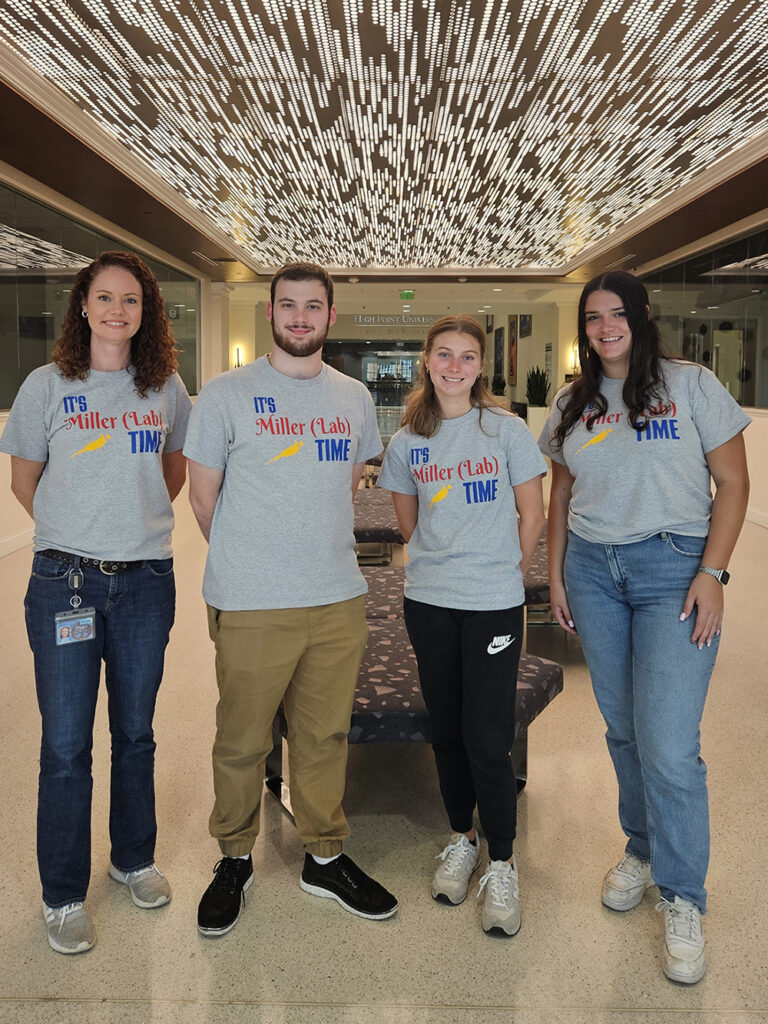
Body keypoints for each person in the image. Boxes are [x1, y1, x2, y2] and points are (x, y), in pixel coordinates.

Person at [539, 271, 750, 984]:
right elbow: (561, 493)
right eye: (593, 317)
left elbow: (735, 484)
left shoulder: (690, 386)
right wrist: (560, 574)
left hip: (673, 570)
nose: (605, 327)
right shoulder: (573, 399)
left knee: (667, 743)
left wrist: (713, 575)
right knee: (623, 728)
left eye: (616, 313)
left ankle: (684, 894)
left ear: (641, 316)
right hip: (596, 574)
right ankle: (643, 847)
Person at [184, 261, 398, 936]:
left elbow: (352, 480)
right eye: (288, 305)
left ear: (330, 317)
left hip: (336, 597)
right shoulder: (225, 395)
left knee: (323, 735)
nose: (300, 317)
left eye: (313, 306)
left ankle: (324, 855)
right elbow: (201, 498)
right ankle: (234, 858)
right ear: (271, 313)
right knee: (242, 740)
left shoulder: (353, 398)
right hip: (251, 601)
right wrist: (254, 563)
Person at [0, 251, 192, 954]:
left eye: (131, 301)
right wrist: (80, 531)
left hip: (145, 581)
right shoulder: (46, 386)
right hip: (64, 584)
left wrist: (127, 527)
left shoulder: (165, 388)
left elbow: (170, 471)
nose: (118, 310)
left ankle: (133, 858)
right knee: (64, 744)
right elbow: (27, 482)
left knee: (135, 732)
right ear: (83, 305)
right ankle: (61, 894)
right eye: (106, 298)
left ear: (147, 313)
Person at [378, 315, 545, 935]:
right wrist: (442, 566)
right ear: (427, 360)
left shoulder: (504, 431)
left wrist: (504, 569)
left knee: (486, 734)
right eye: (443, 354)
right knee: (445, 729)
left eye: (467, 356)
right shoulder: (407, 443)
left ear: (481, 365)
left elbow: (533, 510)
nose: (454, 366)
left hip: (493, 603)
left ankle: (502, 861)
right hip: (429, 603)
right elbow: (408, 524)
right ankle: (462, 837)